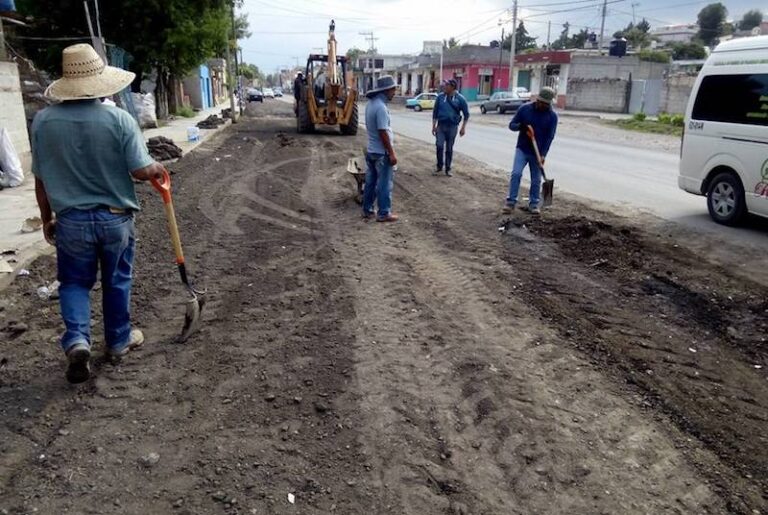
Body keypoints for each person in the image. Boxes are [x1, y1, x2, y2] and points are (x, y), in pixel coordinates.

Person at [31, 44, 165, 383]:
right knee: (117, 279)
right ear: (99, 81)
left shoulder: (44, 122)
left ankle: (77, 339)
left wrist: (46, 217)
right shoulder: (119, 119)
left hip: (72, 221)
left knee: (74, 282)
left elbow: (41, 180)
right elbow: (138, 170)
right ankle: (118, 341)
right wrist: (156, 168)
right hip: (115, 218)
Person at [503, 86, 558, 215]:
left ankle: (534, 204)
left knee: (536, 179)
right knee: (516, 174)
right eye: (541, 102)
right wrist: (522, 127)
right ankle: (511, 202)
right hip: (522, 148)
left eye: (545, 103)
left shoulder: (552, 116)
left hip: (537, 153)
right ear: (537, 99)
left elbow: (549, 137)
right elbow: (512, 125)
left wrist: (543, 155)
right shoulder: (525, 109)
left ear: (549, 103)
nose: (542, 105)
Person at [363, 75, 399, 223]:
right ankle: (384, 213)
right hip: (381, 153)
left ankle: (367, 210)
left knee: (370, 182)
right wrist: (391, 153)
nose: (394, 92)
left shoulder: (371, 104)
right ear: (387, 90)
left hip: (371, 150)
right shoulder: (381, 107)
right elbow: (382, 132)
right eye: (393, 89)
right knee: (384, 184)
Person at [431, 79, 469, 177]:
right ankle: (439, 166)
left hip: (452, 127)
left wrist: (463, 128)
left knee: (449, 148)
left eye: (446, 85)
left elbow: (466, 115)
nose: (444, 86)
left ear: (452, 87)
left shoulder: (460, 99)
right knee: (439, 145)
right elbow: (435, 112)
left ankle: (448, 169)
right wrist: (434, 126)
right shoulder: (440, 97)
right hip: (441, 126)